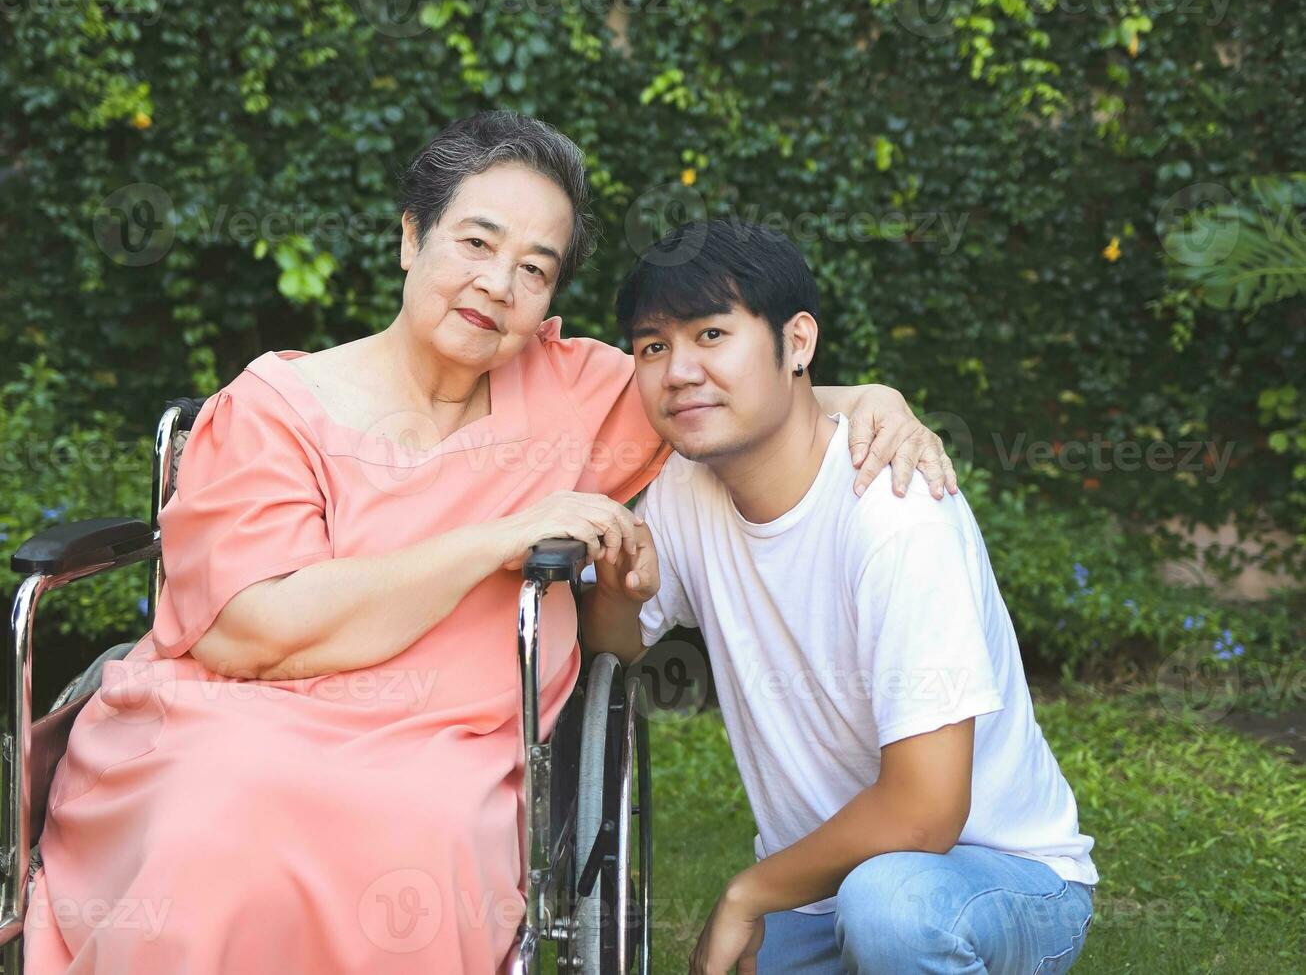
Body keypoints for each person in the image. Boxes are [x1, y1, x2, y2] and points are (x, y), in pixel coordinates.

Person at [22, 115, 954, 974]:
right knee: (218, 812)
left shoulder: (576, 389)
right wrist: (498, 537)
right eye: (475, 241)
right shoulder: (277, 409)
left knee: (420, 836)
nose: (498, 285)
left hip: (447, 748)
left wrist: (869, 399)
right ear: (409, 237)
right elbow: (247, 633)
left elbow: (725, 393)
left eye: (536, 268)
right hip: (230, 720)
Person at [583, 219, 1098, 974]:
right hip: (820, 892)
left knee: (891, 910)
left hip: (995, 876)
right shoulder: (687, 493)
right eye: (654, 345)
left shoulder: (893, 510)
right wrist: (620, 596)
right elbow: (612, 651)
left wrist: (747, 895)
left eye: (712, 334)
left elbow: (926, 813)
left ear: (798, 342)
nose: (679, 370)